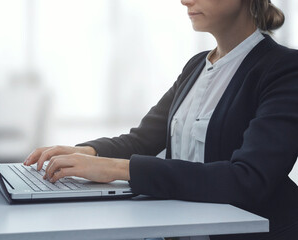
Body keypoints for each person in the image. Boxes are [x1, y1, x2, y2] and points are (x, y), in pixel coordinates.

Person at [23, 0, 297, 239]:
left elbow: (248, 179)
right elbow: (143, 139)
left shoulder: (285, 69)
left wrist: (119, 169)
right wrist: (85, 152)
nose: (184, 1)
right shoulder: (197, 65)